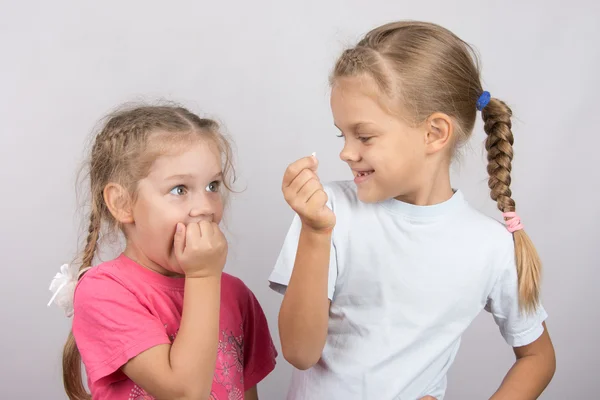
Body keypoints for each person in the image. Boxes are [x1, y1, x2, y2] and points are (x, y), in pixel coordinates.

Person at [269, 21, 556, 399]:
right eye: (343, 134)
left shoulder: (489, 246)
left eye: (365, 136)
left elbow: (538, 356)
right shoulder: (329, 212)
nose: (346, 152)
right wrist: (315, 232)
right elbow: (300, 352)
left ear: (434, 133)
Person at [48, 104, 277, 400]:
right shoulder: (103, 291)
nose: (206, 207)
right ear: (122, 203)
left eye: (212, 185)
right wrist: (204, 274)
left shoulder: (235, 295)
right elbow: (184, 393)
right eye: (179, 189)